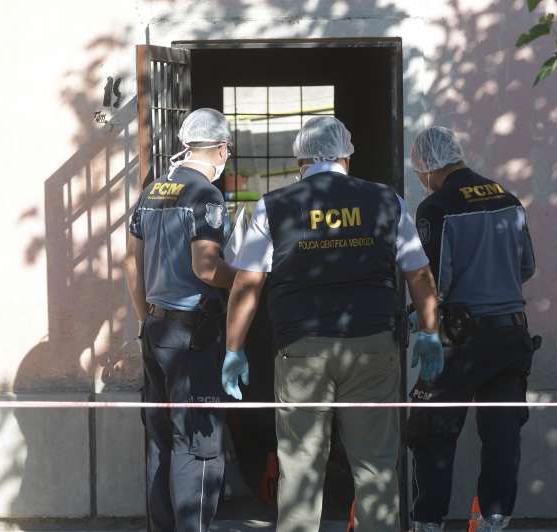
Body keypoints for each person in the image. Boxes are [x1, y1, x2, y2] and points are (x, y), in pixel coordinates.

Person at [221, 116, 442, 532]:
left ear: (299, 160)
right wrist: (430, 333)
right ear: (347, 157)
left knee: (300, 465)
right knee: (376, 465)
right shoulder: (386, 200)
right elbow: (419, 274)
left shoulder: (273, 205)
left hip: (301, 348)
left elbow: (247, 284)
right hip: (373, 345)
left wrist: (234, 348)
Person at [406, 126, 539, 532]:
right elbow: (527, 267)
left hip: (461, 341)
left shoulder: (436, 207)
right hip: (512, 336)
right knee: (502, 437)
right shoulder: (507, 198)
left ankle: (429, 522)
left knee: (431, 432)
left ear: (427, 165)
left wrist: (421, 323)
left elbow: (432, 281)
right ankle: (493, 521)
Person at [124, 108, 237, 532]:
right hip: (192, 333)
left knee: (161, 440)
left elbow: (131, 264)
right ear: (221, 149)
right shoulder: (205, 195)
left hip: (155, 329)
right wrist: (247, 277)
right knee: (198, 441)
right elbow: (207, 268)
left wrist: (146, 319)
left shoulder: (152, 191)